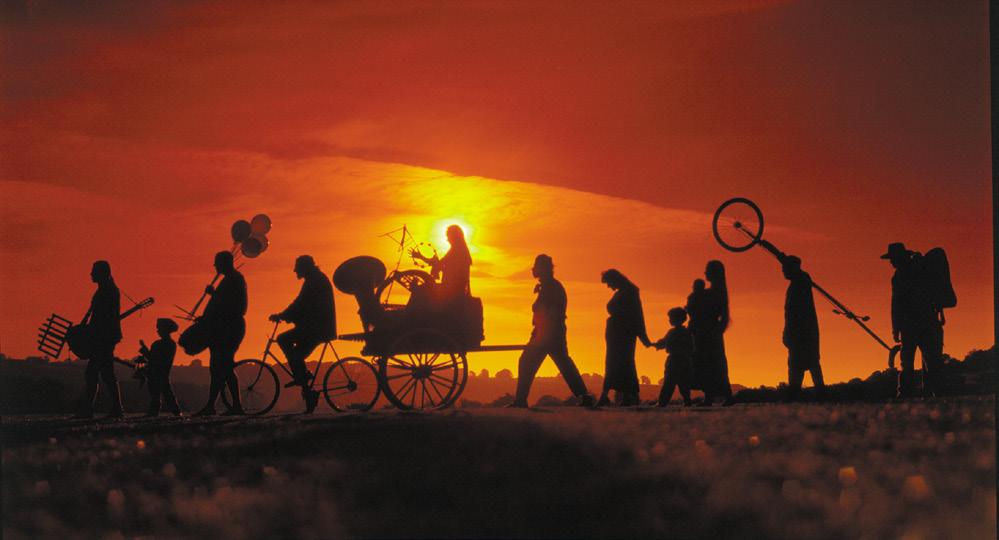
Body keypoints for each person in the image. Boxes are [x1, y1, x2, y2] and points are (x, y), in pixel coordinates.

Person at [510, 255, 595, 408]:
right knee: (564, 364)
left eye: (536, 266)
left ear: (543, 269)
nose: (533, 269)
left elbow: (550, 311)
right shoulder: (550, 286)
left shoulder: (551, 287)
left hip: (546, 333)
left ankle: (520, 400)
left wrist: (542, 334)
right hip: (551, 332)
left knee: (527, 362)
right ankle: (585, 396)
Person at [269, 255, 336, 413]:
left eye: (297, 268)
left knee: (283, 339)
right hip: (317, 327)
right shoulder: (315, 279)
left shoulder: (314, 281)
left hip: (316, 328)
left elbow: (301, 303)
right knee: (297, 356)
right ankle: (307, 390)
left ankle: (302, 377)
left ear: (304, 268)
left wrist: (282, 316)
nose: (295, 271)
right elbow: (301, 304)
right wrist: (285, 315)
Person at [882, 242, 944, 398]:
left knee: (907, 362)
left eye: (892, 258)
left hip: (909, 325)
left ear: (899, 257)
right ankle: (935, 392)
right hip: (928, 320)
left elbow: (896, 305)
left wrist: (895, 328)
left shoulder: (898, 277)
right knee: (932, 360)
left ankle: (905, 393)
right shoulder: (921, 268)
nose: (891, 262)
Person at [195, 251, 247, 416]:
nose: (215, 266)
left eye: (217, 263)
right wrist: (205, 317)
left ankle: (219, 405)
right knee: (221, 367)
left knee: (222, 366)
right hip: (222, 328)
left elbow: (234, 306)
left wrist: (214, 294)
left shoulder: (235, 280)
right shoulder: (230, 280)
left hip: (229, 328)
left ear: (225, 263)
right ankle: (222, 405)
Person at [74, 260, 125, 419]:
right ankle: (112, 409)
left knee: (96, 374)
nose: (91, 274)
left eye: (94, 271)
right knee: (103, 374)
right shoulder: (105, 290)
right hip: (103, 337)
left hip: (104, 338)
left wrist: (90, 331)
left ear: (103, 273)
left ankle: (92, 410)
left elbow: (103, 318)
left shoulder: (108, 291)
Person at [596, 269, 651, 406]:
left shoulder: (630, 292)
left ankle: (612, 395)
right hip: (617, 334)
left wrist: (643, 337)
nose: (609, 286)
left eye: (609, 283)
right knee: (616, 362)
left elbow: (638, 315)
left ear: (615, 279)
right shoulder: (623, 292)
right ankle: (624, 396)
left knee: (622, 363)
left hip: (624, 334)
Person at [687, 260, 734, 406]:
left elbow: (721, 315)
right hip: (706, 332)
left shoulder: (714, 293)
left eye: (707, 270)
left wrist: (716, 330)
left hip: (709, 333)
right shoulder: (712, 293)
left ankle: (721, 396)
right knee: (709, 365)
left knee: (713, 365)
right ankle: (712, 396)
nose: (705, 273)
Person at [780, 255, 825, 401]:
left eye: (784, 268)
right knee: (807, 364)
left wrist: (788, 332)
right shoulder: (800, 282)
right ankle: (816, 393)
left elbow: (794, 313)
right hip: (803, 332)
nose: (783, 271)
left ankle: (799, 394)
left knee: (802, 364)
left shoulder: (800, 283)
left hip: (801, 333)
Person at [410, 224, 472, 302]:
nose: (447, 239)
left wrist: (421, 257)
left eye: (448, 236)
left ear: (454, 237)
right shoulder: (459, 250)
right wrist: (421, 257)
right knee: (421, 288)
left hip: (452, 290)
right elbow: (440, 264)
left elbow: (440, 265)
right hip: (454, 289)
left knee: (420, 290)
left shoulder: (457, 251)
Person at [138, 318, 182, 417]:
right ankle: (175, 412)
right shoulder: (170, 344)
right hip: (160, 372)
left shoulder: (162, 344)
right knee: (161, 393)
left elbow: (154, 358)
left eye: (159, 329)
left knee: (160, 393)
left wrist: (144, 350)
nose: (157, 331)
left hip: (159, 373)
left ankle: (170, 411)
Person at [652, 307, 694, 407]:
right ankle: (687, 401)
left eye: (671, 318)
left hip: (674, 360)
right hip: (684, 360)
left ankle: (662, 402)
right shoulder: (687, 332)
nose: (669, 320)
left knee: (669, 382)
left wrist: (656, 345)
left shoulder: (672, 332)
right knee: (683, 383)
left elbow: (664, 342)